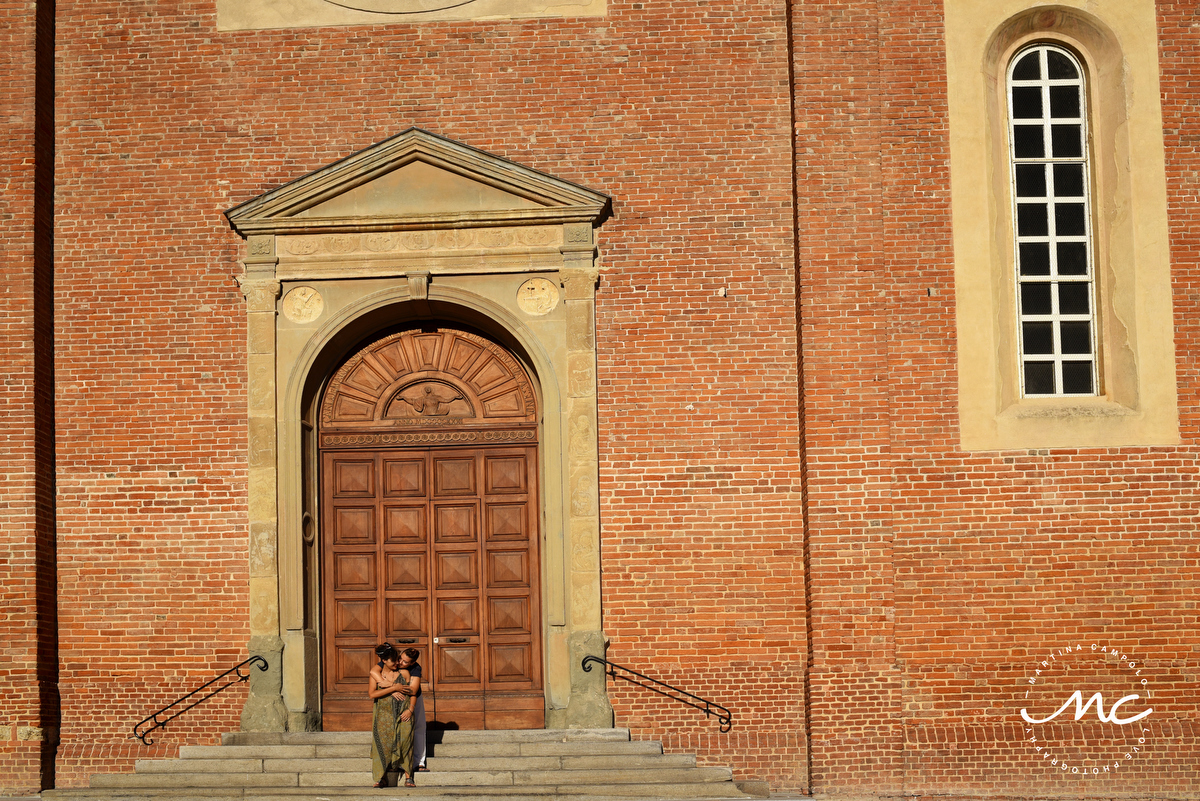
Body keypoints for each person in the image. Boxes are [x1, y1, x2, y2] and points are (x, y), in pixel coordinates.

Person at [368, 643, 415, 788]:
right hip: (383, 715)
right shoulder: (378, 676)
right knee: (381, 745)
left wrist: (410, 709)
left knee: (405, 743)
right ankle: (380, 778)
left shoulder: (405, 673)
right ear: (384, 661)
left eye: (397, 659)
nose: (397, 663)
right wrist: (393, 688)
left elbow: (413, 693)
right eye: (393, 660)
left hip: (403, 714)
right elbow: (372, 694)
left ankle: (408, 777)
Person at [396, 648, 427, 772]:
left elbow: (413, 690)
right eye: (400, 658)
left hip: (415, 699)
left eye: (405, 662)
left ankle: (419, 762)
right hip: (396, 699)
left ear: (412, 663)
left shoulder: (416, 668)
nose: (400, 662)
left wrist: (396, 687)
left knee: (419, 727)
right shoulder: (392, 661)